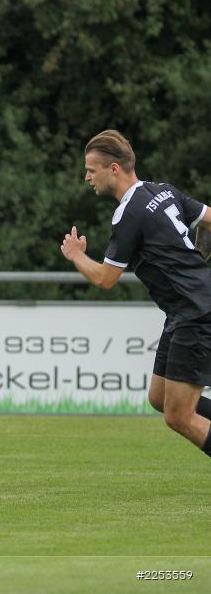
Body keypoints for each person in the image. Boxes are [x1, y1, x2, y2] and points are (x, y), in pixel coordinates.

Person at [61, 129, 211, 458]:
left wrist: (75, 255)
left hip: (196, 313)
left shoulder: (129, 213)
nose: (87, 177)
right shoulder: (163, 190)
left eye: (91, 170)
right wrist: (200, 259)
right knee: (159, 398)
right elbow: (209, 219)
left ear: (113, 169)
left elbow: (106, 278)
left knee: (179, 416)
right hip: (185, 310)